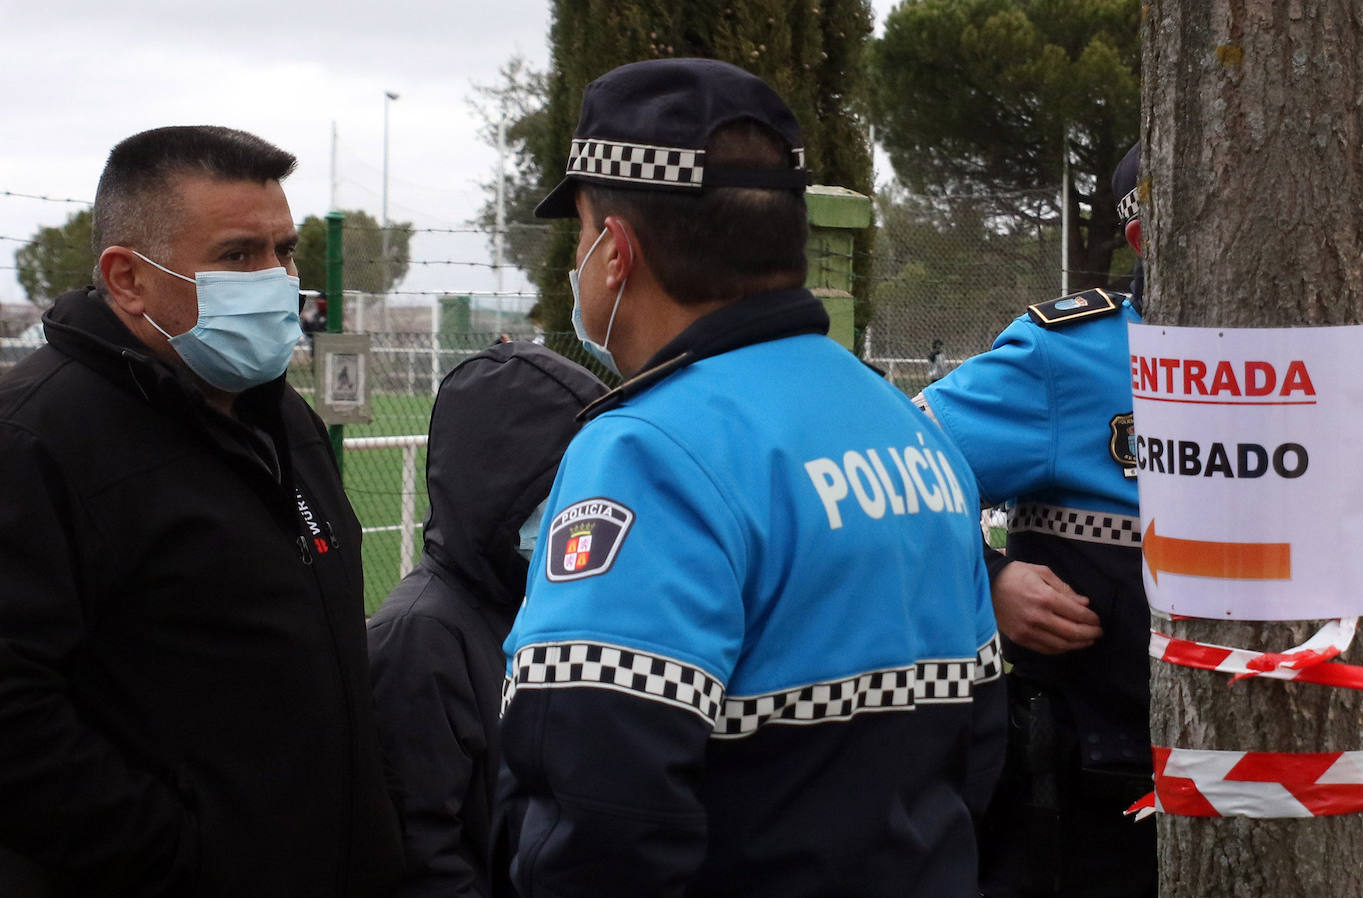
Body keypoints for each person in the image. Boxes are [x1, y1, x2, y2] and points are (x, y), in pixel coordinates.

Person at [495, 58, 1005, 898]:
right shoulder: (908, 428)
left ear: (616, 253)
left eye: (580, 235)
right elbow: (980, 740)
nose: (577, 262)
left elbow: (599, 807)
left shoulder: (648, 452)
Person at [0, 126, 403, 896]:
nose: (278, 278)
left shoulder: (281, 418)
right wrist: (185, 855)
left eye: (284, 251)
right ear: (127, 279)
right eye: (238, 256)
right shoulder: (34, 442)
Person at [915, 142, 1152, 898]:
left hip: (1305, 758)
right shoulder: (1071, 356)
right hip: (1099, 783)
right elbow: (887, 479)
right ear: (1141, 231)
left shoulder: (1332, 352)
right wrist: (985, 581)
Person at [368, 340, 607, 897]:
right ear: (495, 488)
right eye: (564, 491)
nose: (584, 511)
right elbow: (423, 856)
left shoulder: (547, 603)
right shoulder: (419, 639)